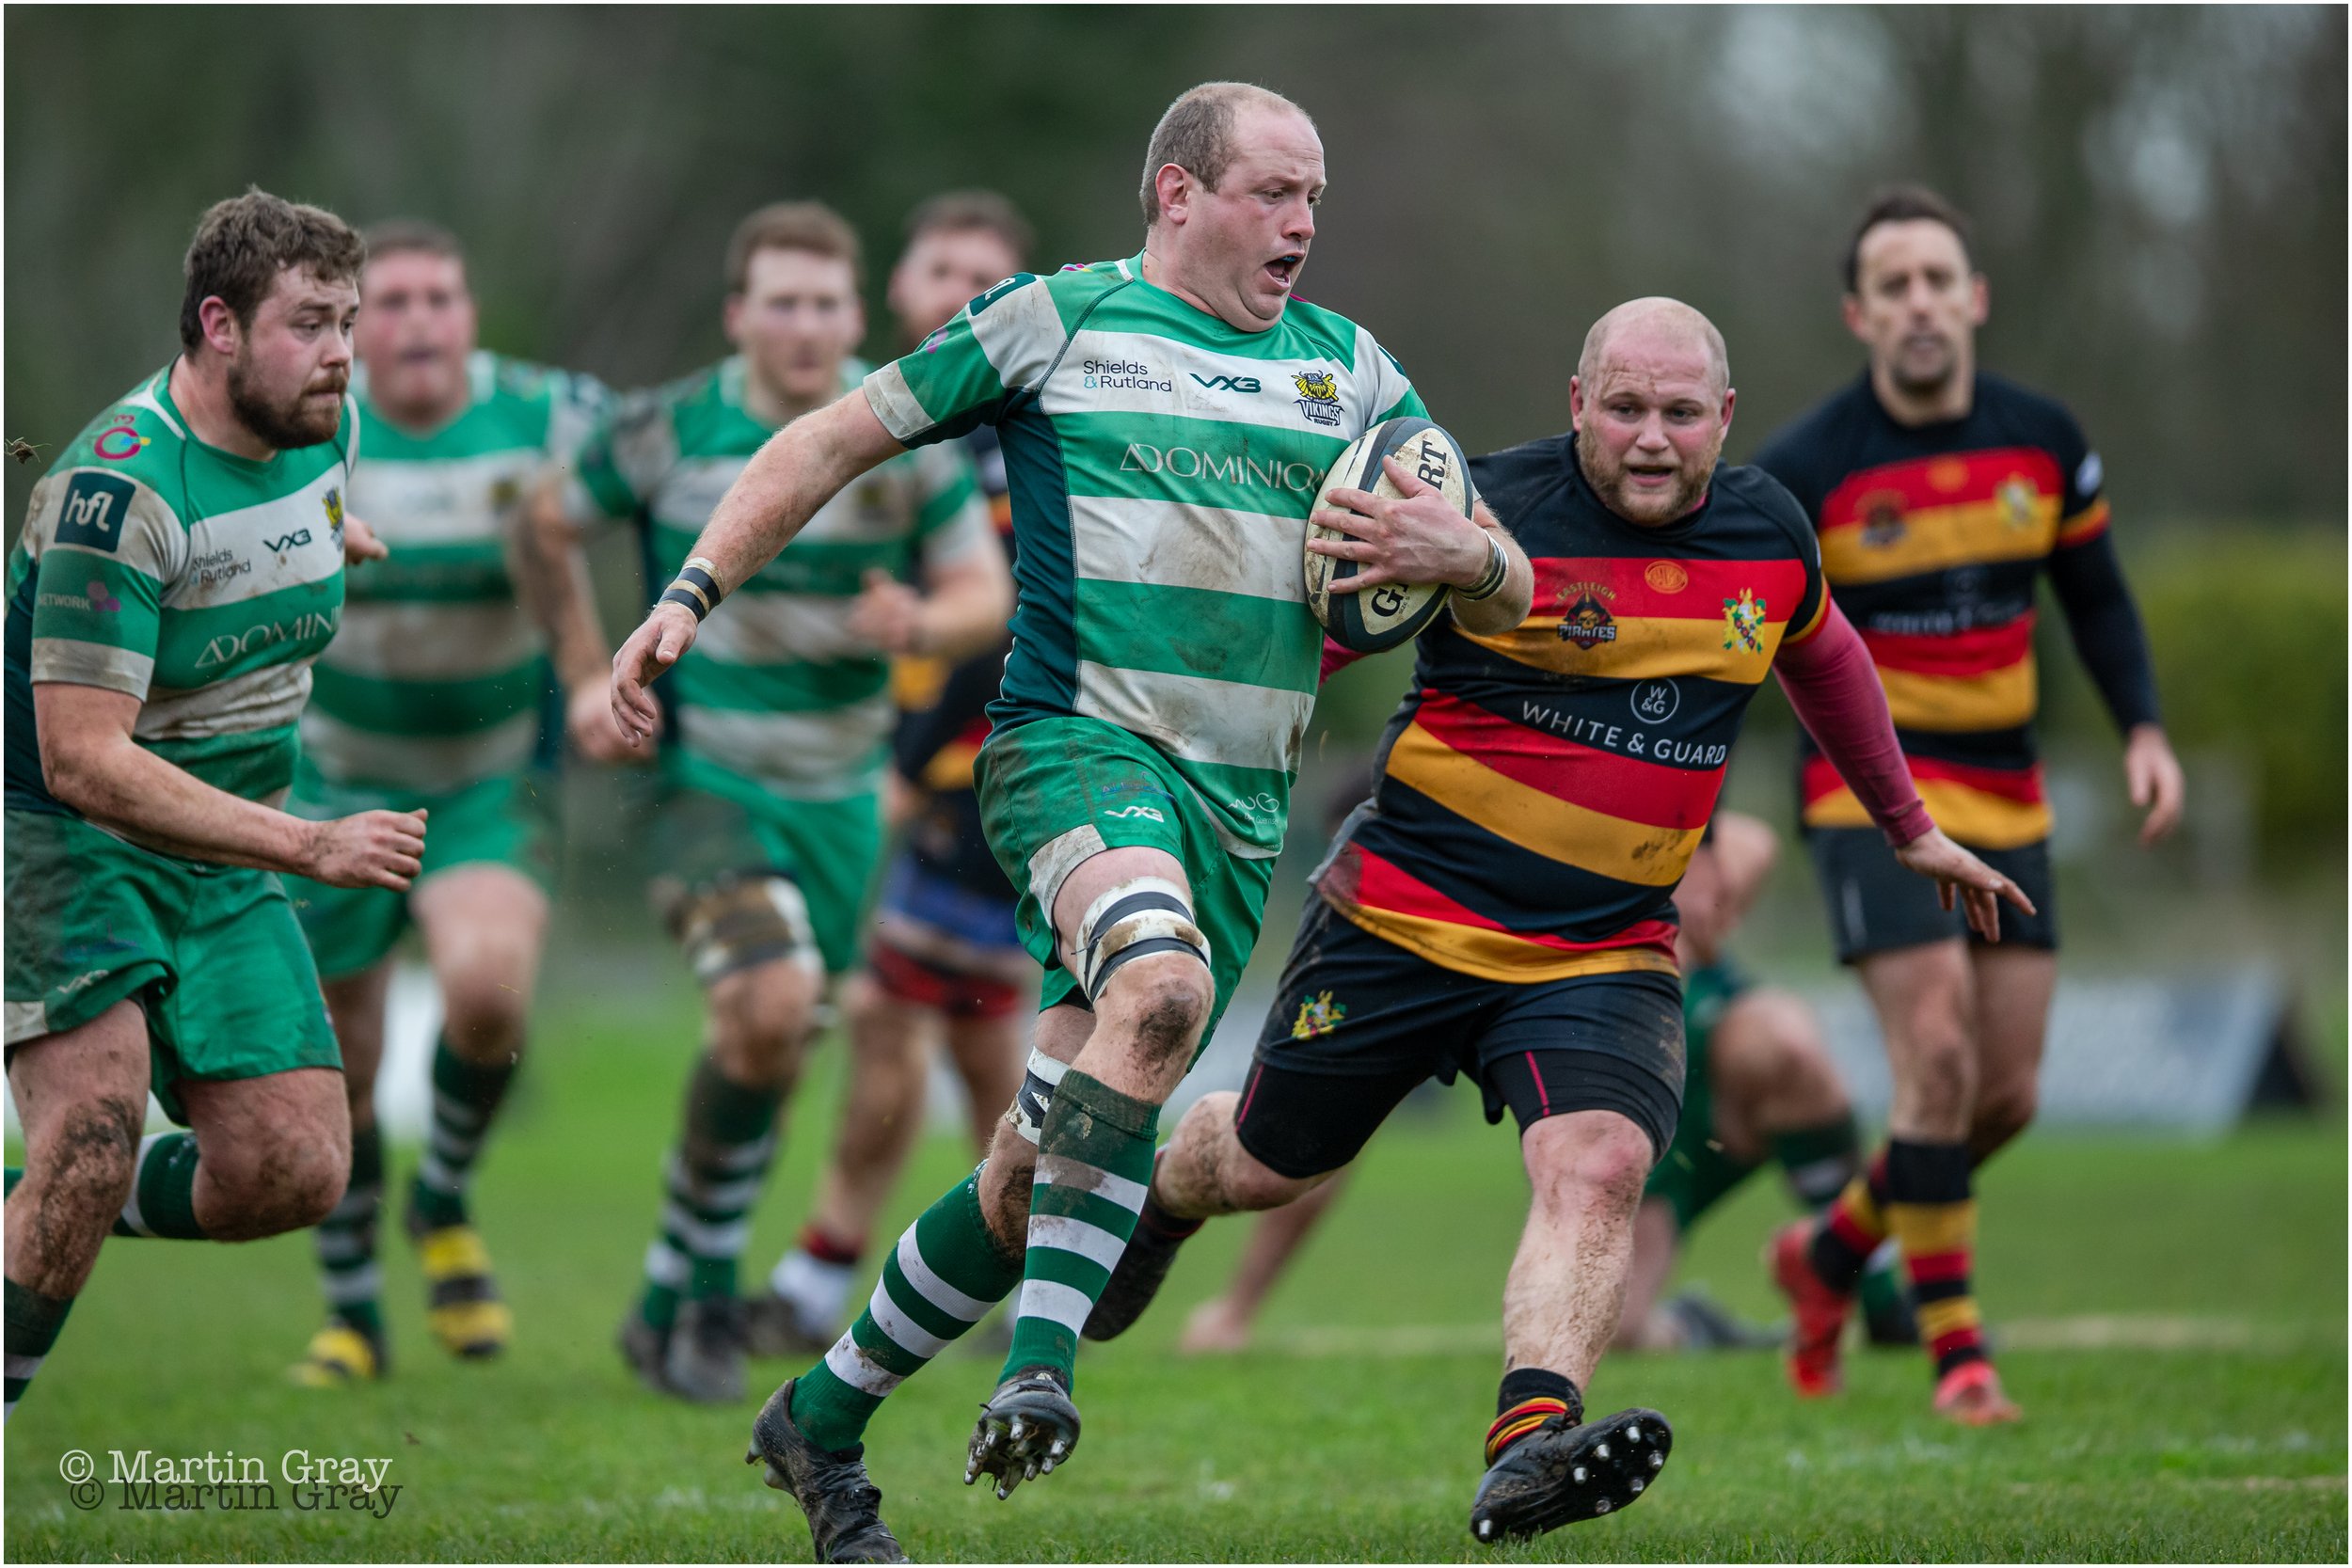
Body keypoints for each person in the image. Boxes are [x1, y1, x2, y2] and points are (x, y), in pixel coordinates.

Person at [614, 82, 1534, 1562]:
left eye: (1317, 197)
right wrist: (685, 595)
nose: (1304, 222)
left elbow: (1508, 573)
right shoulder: (1054, 321)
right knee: (1160, 990)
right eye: (1273, 191)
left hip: (1241, 813)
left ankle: (821, 1418)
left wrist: (1470, 556)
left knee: (1035, 1163)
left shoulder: (1350, 370)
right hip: (1070, 750)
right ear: (1176, 192)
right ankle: (1043, 1364)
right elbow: (826, 440)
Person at [1079, 297, 2031, 1544]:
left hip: (1603, 943)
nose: (1651, 438)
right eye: (1624, 408)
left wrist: (1906, 824)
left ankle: (1529, 1442)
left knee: (1601, 1162)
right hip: (1404, 920)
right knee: (1263, 1162)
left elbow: (1827, 652)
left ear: (1722, 419)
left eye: (1679, 414)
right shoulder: (1469, 506)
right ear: (1578, 401)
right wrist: (1174, 758)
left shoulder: (1767, 531)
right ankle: (1165, 1195)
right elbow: (1308, 644)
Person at [531, 200, 1009, 1406]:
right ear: (738, 314)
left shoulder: (898, 430)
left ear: (858, 314)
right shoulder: (668, 430)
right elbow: (545, 522)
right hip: (700, 788)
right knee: (772, 1000)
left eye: (825, 303)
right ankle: (696, 1294)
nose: (803, 326)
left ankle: (663, 1290)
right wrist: (591, 673)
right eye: (779, 302)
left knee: (774, 1039)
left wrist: (922, 620)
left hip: (845, 799)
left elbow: (981, 594)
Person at [1751, 185, 2183, 1425]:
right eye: (1895, 285)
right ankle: (1958, 1355)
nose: (1921, 302)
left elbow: (2097, 599)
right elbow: (1741, 635)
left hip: (2007, 793)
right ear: (1859, 313)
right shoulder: (1807, 470)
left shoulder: (2044, 441)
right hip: (1867, 796)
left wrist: (2145, 728)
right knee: (1933, 1055)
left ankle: (1829, 1251)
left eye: (1940, 277)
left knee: (2001, 1097)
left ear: (1976, 296)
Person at [2, 190, 421, 1419]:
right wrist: (310, 842)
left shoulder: (325, 432)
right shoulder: (113, 497)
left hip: (220, 853)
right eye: (309, 322)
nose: (343, 349)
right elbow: (82, 758)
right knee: (90, 1131)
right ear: (218, 326)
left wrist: (334, 536)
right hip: (68, 838)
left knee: (293, 1168)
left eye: (348, 318)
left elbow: (286, 522)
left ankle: (44, 1206)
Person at [1171, 812, 1906, 1360]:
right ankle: (1705, 1324)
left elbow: (1750, 836)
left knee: (1786, 1037)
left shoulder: (1645, 741)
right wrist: (1239, 1305)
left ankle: (1874, 1288)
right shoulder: (1441, 906)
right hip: (1613, 1111)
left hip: (1690, 1061)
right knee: (1611, 1321)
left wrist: (1711, 872)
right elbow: (1327, 1142)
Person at [280, 220, 615, 1386]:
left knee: (484, 992)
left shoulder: (548, 415)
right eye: (396, 303)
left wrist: (601, 674)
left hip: (485, 781)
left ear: (470, 317)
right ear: (356, 328)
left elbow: (669, 477)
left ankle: (445, 1193)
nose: (419, 322)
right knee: (342, 1057)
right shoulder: (309, 430)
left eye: (442, 299)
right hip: (329, 782)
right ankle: (352, 1312)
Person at [746, 192, 1038, 1358]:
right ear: (901, 293)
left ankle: (843, 1274)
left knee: (907, 1020)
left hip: (989, 779)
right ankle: (1019, 1273)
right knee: (963, 1039)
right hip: (886, 768)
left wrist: (912, 767)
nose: (959, 295)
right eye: (939, 272)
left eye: (987, 278)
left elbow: (1009, 626)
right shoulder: (885, 431)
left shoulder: (1034, 439)